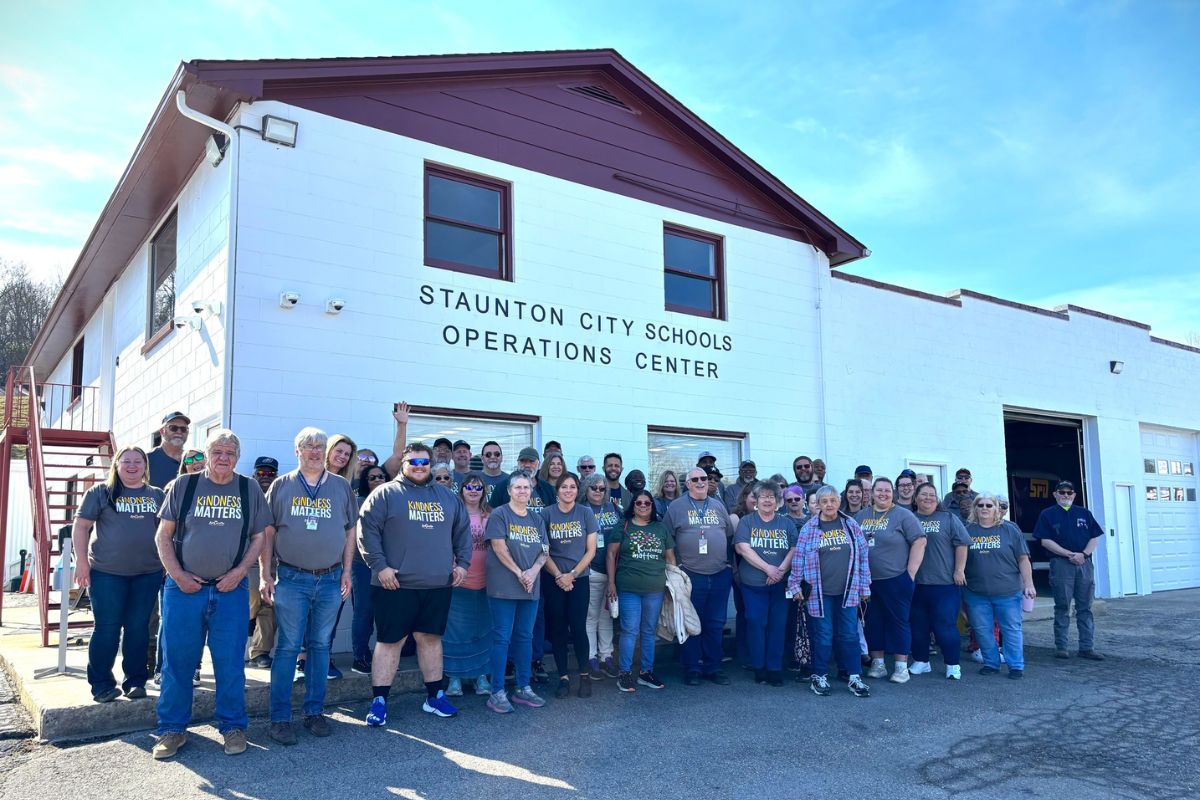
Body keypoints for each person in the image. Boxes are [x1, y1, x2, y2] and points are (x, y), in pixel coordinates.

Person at [151, 429, 271, 760]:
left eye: (231, 452)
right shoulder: (184, 485)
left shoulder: (248, 489)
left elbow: (259, 538)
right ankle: (172, 730)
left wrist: (238, 573)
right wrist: (178, 576)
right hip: (184, 590)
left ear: (238, 456)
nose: (224, 457)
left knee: (230, 663)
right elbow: (163, 536)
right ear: (206, 454)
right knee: (178, 662)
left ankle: (232, 726)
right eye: (218, 451)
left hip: (230, 590)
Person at [358, 443, 471, 725]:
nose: (419, 466)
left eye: (424, 461)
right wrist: (380, 567)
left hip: (437, 585)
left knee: (430, 640)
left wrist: (462, 564)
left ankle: (434, 697)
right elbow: (366, 532)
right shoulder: (385, 493)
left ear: (430, 464)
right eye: (413, 461)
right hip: (395, 585)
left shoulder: (446, 497)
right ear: (404, 463)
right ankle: (380, 701)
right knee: (389, 641)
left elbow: (463, 533)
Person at [261, 428, 356, 745]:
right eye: (308, 446)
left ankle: (314, 712)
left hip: (330, 579)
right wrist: (265, 573)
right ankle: (280, 719)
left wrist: (346, 571)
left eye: (319, 446)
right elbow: (268, 532)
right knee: (288, 647)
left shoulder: (341, 486)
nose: (315, 451)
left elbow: (349, 532)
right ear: (296, 450)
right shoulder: (282, 485)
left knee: (320, 646)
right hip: (292, 579)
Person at [74, 446, 165, 703]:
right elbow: (81, 527)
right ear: (116, 465)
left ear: (146, 467)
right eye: (126, 461)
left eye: (138, 461)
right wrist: (81, 563)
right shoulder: (100, 493)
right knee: (107, 628)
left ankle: (135, 681)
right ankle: (102, 684)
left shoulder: (157, 495)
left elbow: (166, 533)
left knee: (138, 629)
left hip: (147, 574)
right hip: (106, 574)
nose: (132, 466)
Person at [791, 485, 872, 698]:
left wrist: (865, 586)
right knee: (823, 636)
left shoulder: (850, 524)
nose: (829, 505)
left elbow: (863, 556)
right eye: (824, 501)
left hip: (849, 590)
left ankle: (854, 676)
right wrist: (794, 585)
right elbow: (798, 558)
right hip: (819, 592)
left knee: (849, 634)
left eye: (832, 500)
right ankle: (820, 676)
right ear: (817, 504)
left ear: (839, 501)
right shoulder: (809, 528)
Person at [484, 472, 550, 713]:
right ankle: (497, 692)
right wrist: (519, 572)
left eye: (526, 487)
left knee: (525, 636)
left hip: (530, 587)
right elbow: (499, 548)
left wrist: (532, 572)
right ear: (509, 491)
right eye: (518, 487)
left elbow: (544, 551)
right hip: (504, 587)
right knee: (502, 638)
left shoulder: (536, 518)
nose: (523, 491)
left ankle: (524, 687)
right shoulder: (500, 514)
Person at [664, 468, 737, 686]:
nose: (700, 482)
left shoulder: (717, 505)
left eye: (703, 479)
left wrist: (727, 566)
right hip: (690, 574)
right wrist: (675, 569)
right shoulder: (676, 507)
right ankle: (692, 668)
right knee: (691, 623)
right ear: (687, 484)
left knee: (715, 623)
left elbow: (729, 535)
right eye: (694, 479)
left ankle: (713, 667)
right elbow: (668, 539)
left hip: (719, 574)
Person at [856, 477, 926, 684]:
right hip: (868, 581)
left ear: (893, 492)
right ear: (872, 492)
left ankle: (901, 666)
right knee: (872, 622)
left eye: (887, 490)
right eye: (879, 490)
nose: (883, 494)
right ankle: (878, 664)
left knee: (899, 621)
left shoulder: (903, 515)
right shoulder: (861, 515)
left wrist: (910, 573)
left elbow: (920, 541)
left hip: (895, 578)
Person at [606, 488, 676, 692]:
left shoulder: (660, 528)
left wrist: (674, 586)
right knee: (629, 630)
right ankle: (625, 674)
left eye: (647, 503)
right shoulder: (623, 526)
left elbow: (670, 559)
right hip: (628, 588)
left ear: (652, 506)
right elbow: (611, 555)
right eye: (639, 503)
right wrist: (611, 583)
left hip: (655, 589)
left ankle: (646, 671)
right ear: (633, 506)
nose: (643, 506)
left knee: (648, 631)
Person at [964, 492, 1035, 679]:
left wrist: (1029, 584)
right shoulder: (967, 530)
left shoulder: (1010, 529)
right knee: (982, 630)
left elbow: (1023, 559)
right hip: (976, 592)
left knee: (1011, 629)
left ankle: (1016, 666)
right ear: (975, 508)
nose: (985, 509)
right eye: (980, 505)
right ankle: (991, 663)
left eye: (989, 505)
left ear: (997, 509)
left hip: (1008, 592)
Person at [540, 472, 598, 699]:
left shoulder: (585, 513)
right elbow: (543, 551)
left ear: (578, 490)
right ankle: (563, 677)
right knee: (558, 629)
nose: (568, 490)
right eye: (564, 487)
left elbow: (591, 549)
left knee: (578, 626)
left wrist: (572, 575)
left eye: (572, 487)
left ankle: (584, 676)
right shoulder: (546, 514)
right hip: (553, 578)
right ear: (557, 490)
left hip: (579, 580)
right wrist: (558, 575)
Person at [734, 481, 798, 686]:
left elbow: (794, 549)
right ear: (756, 500)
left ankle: (774, 668)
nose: (767, 500)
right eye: (763, 496)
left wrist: (779, 571)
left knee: (777, 626)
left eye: (771, 497)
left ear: (777, 501)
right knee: (755, 622)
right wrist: (767, 568)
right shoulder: (747, 522)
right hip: (753, 585)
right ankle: (759, 667)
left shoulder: (786, 523)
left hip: (780, 585)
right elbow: (742, 548)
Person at [1034, 480, 1105, 660]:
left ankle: (1087, 647)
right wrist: (1069, 554)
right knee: (1062, 606)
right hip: (1061, 565)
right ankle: (1062, 647)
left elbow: (1094, 538)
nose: (1066, 495)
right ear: (1055, 495)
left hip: (1084, 564)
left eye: (1069, 493)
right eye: (1062, 492)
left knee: (1085, 608)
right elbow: (1045, 541)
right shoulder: (1047, 514)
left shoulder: (1084, 513)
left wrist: (1083, 554)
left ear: (1074, 495)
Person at [910, 482, 970, 679]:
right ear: (916, 498)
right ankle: (921, 661)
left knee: (945, 625)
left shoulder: (948, 518)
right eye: (924, 494)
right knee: (918, 626)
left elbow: (962, 544)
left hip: (945, 584)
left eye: (932, 495)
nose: (928, 498)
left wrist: (959, 570)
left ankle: (952, 664)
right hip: (916, 584)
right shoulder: (909, 518)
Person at [443, 472, 494, 697]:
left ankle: (481, 676)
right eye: (469, 487)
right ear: (461, 489)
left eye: (478, 487)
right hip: (458, 580)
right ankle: (454, 678)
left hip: (487, 581)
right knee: (456, 632)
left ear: (484, 491)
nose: (473, 491)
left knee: (483, 630)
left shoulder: (491, 515)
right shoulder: (453, 512)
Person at [582, 473, 621, 680]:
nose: (598, 492)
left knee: (607, 615)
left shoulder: (614, 508)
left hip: (613, 570)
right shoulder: (581, 510)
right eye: (593, 488)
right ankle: (591, 657)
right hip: (592, 570)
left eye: (602, 488)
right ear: (586, 490)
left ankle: (606, 656)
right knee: (591, 615)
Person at [350, 464, 388, 674]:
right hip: (362, 565)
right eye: (372, 477)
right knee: (364, 611)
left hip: (388, 566)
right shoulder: (358, 502)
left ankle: (385, 657)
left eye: (381, 476)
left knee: (386, 613)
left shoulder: (392, 501)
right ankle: (360, 657)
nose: (377, 480)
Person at [488, 447, 555, 511]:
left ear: (539, 464)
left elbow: (553, 515)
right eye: (523, 461)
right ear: (518, 463)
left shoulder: (547, 489)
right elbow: (493, 514)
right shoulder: (501, 488)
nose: (527, 465)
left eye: (531, 461)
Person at [148, 411, 190, 489]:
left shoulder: (194, 460)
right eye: (173, 428)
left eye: (183, 429)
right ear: (162, 431)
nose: (179, 432)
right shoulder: (146, 459)